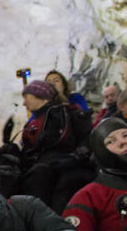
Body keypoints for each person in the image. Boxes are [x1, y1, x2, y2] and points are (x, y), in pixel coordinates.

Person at [13, 79, 93, 212]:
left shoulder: (68, 113)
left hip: (63, 170)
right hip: (42, 170)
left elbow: (87, 138)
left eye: (26, 97)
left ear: (41, 97)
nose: (24, 103)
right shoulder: (35, 121)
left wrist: (75, 157)